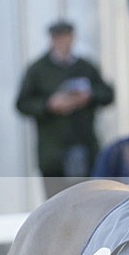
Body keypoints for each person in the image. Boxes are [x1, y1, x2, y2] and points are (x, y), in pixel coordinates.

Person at [16, 19, 114, 198]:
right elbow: (22, 103)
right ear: (51, 40)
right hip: (53, 153)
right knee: (56, 203)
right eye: (58, 38)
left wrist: (89, 96)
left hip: (84, 147)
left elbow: (107, 94)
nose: (63, 42)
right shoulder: (38, 70)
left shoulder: (85, 67)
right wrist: (49, 105)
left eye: (66, 37)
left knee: (87, 199)